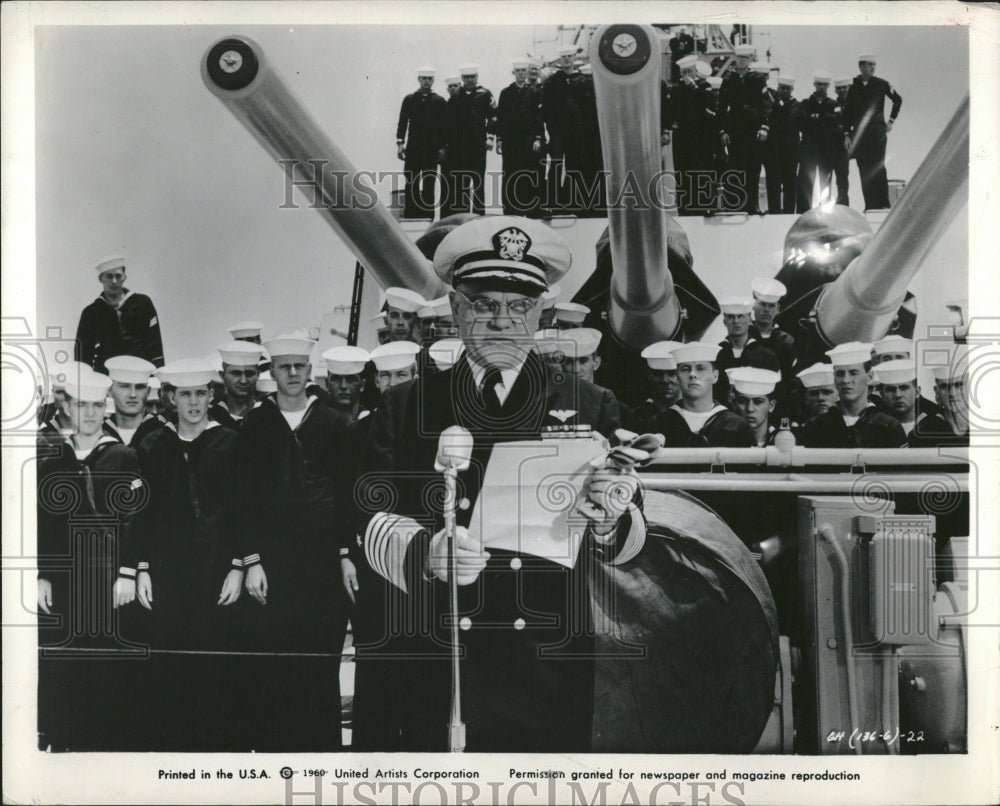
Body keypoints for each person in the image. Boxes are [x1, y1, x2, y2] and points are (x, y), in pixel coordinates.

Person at [350, 215, 641, 752]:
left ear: (540, 313)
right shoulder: (407, 404)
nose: (502, 321)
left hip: (547, 658)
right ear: (458, 311)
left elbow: (628, 538)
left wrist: (612, 516)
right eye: (485, 305)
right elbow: (368, 514)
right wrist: (425, 551)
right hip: (443, 658)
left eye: (519, 306)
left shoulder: (587, 403)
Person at [231, 333, 353, 751]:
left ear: (310, 369)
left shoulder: (333, 423)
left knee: (320, 666)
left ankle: (322, 758)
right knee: (275, 666)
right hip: (274, 565)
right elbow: (242, 499)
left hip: (320, 565)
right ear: (273, 372)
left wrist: (344, 554)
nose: (294, 374)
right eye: (285, 367)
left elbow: (346, 493)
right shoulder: (256, 424)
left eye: (300, 366)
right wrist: (252, 560)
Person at [114, 358, 242, 751]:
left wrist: (238, 566)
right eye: (184, 394)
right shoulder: (154, 445)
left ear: (211, 395)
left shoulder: (231, 442)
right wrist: (142, 568)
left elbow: (243, 510)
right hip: (167, 573)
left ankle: (212, 751)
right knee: (169, 663)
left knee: (213, 661)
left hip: (216, 571)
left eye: (200, 393)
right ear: (171, 398)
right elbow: (143, 516)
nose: (193, 403)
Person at [37, 367, 143, 751]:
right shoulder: (55, 458)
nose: (91, 413)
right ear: (68, 407)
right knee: (66, 659)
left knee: (107, 662)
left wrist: (127, 572)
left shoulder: (122, 455)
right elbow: (46, 523)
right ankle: (66, 740)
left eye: (98, 405)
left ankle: (105, 742)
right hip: (66, 579)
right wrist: (44, 575)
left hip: (107, 577)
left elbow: (134, 518)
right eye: (83, 404)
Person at [799, 342, 906, 448]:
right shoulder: (817, 426)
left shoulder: (889, 427)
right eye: (840, 374)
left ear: (869, 377)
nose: (846, 380)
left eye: (853, 373)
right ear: (834, 379)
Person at [656, 342, 756, 448]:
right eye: (685, 369)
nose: (692, 374)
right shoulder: (661, 423)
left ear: (715, 376)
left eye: (700, 368)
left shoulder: (737, 426)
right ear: (677, 377)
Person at [75, 256, 164, 374]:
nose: (114, 281)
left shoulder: (143, 303)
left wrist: (158, 376)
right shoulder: (91, 312)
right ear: (100, 278)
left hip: (140, 374)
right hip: (106, 376)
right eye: (109, 276)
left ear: (124, 277)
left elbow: (155, 342)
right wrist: (86, 381)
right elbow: (82, 353)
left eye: (118, 276)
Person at [845, 54, 902, 211]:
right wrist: (847, 134)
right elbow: (848, 112)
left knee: (878, 167)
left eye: (874, 64)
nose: (872, 67)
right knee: (864, 169)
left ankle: (883, 204)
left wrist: (890, 121)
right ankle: (870, 205)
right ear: (861, 67)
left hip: (877, 134)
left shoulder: (881, 84)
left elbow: (898, 100)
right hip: (859, 136)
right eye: (869, 64)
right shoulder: (853, 87)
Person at [719, 44, 771, 213]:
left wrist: (764, 127)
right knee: (735, 167)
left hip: (753, 131)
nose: (742, 61)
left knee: (753, 168)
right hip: (735, 131)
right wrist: (723, 131)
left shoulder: (757, 79)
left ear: (750, 60)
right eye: (740, 58)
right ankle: (735, 204)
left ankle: (752, 205)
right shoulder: (728, 80)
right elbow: (722, 108)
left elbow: (766, 105)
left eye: (745, 58)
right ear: (735, 59)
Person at [442, 63, 496, 217]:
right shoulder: (455, 96)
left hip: (478, 145)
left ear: (477, 77)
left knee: (478, 182)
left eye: (473, 77)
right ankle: (463, 217)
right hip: (459, 148)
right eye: (467, 77)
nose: (470, 80)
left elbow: (493, 117)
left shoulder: (485, 94)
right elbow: (449, 123)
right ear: (462, 78)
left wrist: (490, 137)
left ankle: (479, 216)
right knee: (462, 183)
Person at [396, 67, 448, 220]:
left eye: (429, 79)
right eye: (424, 78)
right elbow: (403, 122)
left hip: (431, 149)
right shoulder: (410, 99)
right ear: (419, 79)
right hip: (413, 148)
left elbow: (444, 127)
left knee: (429, 183)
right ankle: (410, 215)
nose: (426, 81)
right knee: (411, 181)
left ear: (433, 81)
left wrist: (443, 148)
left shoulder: (439, 101)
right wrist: (400, 143)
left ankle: (427, 216)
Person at [667, 54, 715, 215]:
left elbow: (704, 105)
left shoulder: (702, 87)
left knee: (701, 170)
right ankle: (684, 208)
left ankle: (703, 205)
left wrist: (694, 88)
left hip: (701, 136)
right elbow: (674, 111)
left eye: (691, 71)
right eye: (686, 72)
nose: (689, 75)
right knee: (683, 171)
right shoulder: (677, 89)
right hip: (683, 137)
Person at [496, 59, 545, 216]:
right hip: (511, 142)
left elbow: (539, 118)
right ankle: (510, 209)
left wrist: (538, 138)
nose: (521, 74)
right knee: (510, 174)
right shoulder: (506, 93)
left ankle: (531, 209)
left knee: (529, 173)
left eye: (524, 70)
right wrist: (499, 139)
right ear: (514, 73)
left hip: (528, 140)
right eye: (518, 71)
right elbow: (501, 118)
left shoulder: (534, 92)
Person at [714, 297, 780, 402]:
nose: (736, 321)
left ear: (749, 318)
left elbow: (776, 392)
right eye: (730, 317)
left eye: (740, 316)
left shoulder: (766, 356)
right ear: (724, 322)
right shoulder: (715, 354)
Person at [542, 46, 580, 212]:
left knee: (574, 166)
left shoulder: (583, 80)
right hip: (558, 131)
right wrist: (551, 129)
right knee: (556, 165)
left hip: (576, 132)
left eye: (569, 56)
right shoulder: (552, 81)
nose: (566, 59)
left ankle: (571, 201)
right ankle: (552, 202)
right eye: (563, 56)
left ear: (574, 58)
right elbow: (547, 108)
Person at [796, 73, 840, 212]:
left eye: (825, 85)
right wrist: (824, 120)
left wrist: (815, 118)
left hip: (826, 149)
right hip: (809, 148)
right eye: (819, 84)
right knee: (805, 181)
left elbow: (837, 121)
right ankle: (803, 212)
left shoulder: (834, 104)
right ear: (814, 85)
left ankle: (825, 211)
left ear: (828, 86)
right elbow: (800, 121)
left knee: (825, 182)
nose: (822, 87)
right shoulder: (805, 103)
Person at [103, 355, 163, 447]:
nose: (133, 394)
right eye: (124, 386)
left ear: (148, 391)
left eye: (140, 387)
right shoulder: (99, 433)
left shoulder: (163, 434)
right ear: (109, 391)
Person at [910, 358, 969, 448]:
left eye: (958, 385)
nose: (952, 393)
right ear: (937, 392)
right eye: (944, 386)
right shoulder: (925, 431)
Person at [208, 340, 265, 429]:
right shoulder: (209, 419)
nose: (243, 381)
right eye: (236, 373)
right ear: (222, 376)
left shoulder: (268, 416)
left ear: (258, 375)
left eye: (249, 374)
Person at [764, 76, 800, 214]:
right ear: (778, 88)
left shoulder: (797, 105)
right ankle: (774, 211)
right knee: (773, 182)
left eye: (787, 88)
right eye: (782, 88)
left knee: (790, 182)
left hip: (790, 151)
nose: (784, 91)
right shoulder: (772, 105)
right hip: (774, 150)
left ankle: (789, 213)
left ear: (792, 90)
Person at [631, 341, 684, 433]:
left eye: (672, 373)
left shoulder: (694, 415)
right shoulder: (635, 417)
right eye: (658, 374)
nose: (665, 380)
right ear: (649, 376)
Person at [730, 367, 782, 447]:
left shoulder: (782, 441)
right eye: (743, 401)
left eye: (758, 402)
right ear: (734, 404)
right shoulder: (726, 441)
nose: (750, 409)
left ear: (771, 406)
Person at [322, 345, 370, 424]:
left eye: (351, 379)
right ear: (327, 384)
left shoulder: (373, 424)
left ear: (362, 385)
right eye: (336, 379)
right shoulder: (316, 422)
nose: (343, 386)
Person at [832, 77, 852, 206]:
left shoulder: (856, 103)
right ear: (835, 90)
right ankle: (843, 202)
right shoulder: (833, 105)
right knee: (841, 176)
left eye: (844, 87)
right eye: (839, 88)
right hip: (839, 145)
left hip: (855, 141)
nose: (842, 90)